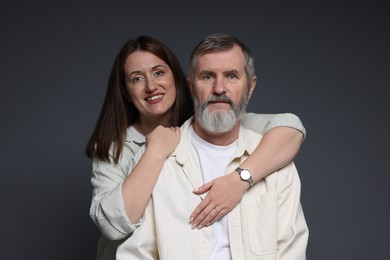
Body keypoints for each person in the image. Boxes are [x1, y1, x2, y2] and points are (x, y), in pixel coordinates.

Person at [86, 35, 307, 259]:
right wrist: (155, 151)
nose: (151, 86)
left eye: (159, 72)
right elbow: (117, 229)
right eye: (136, 79)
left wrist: (239, 180)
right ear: (192, 86)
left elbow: (290, 126)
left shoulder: (244, 134)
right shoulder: (128, 153)